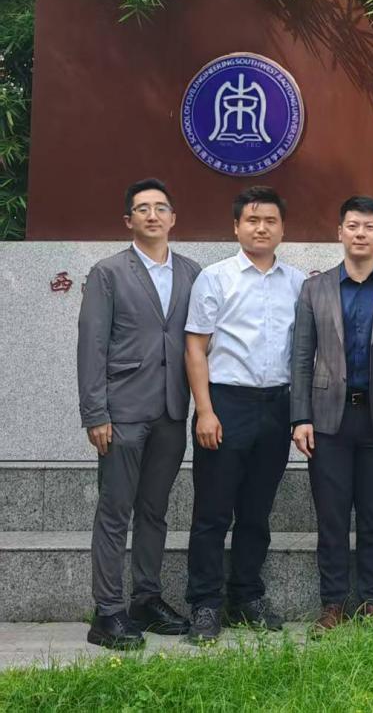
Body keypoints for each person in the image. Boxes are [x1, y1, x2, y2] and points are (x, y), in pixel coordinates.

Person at [77, 179, 201, 650]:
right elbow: (92, 344)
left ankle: (146, 599)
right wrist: (95, 412)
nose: (153, 215)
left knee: (154, 510)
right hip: (123, 411)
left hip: (171, 410)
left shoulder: (191, 272)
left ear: (173, 218)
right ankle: (107, 612)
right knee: (115, 511)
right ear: (129, 220)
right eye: (143, 208)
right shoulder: (108, 272)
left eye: (160, 208)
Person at [291, 196, 373, 637]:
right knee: (331, 518)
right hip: (328, 421)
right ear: (339, 232)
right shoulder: (315, 289)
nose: (360, 233)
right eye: (352, 225)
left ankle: (371, 603)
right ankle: (332, 605)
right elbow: (301, 357)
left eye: (369, 226)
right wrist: (300, 417)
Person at [183, 185, 307, 643]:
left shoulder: (298, 283)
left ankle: (246, 596)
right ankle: (204, 603)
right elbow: (195, 348)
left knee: (257, 512)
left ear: (282, 229)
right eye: (252, 220)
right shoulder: (215, 278)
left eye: (270, 221)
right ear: (236, 226)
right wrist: (205, 410)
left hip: (276, 406)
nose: (261, 228)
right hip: (225, 404)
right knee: (212, 513)